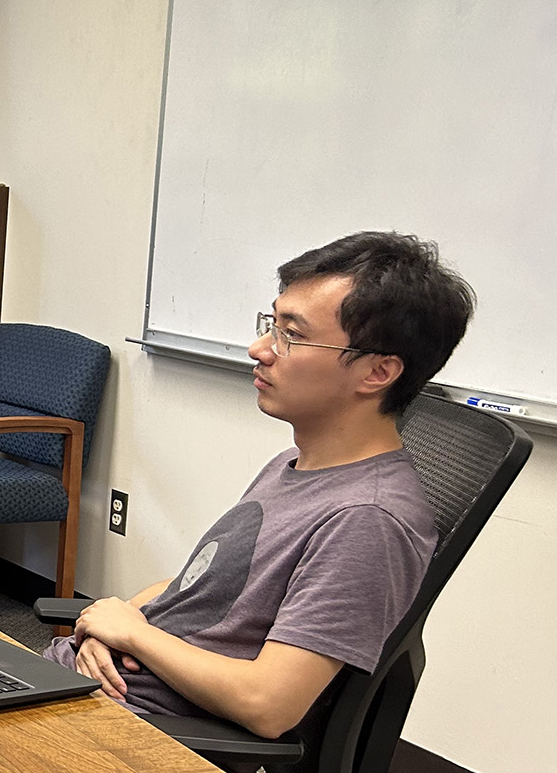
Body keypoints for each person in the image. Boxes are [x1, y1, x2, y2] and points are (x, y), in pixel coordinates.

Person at [51, 231, 473, 738]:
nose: (259, 349)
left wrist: (134, 639)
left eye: (290, 335)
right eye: (271, 325)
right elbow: (199, 587)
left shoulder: (367, 520)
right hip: (92, 684)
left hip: (142, 736)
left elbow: (269, 705)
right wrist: (106, 626)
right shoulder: (294, 463)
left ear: (377, 372)